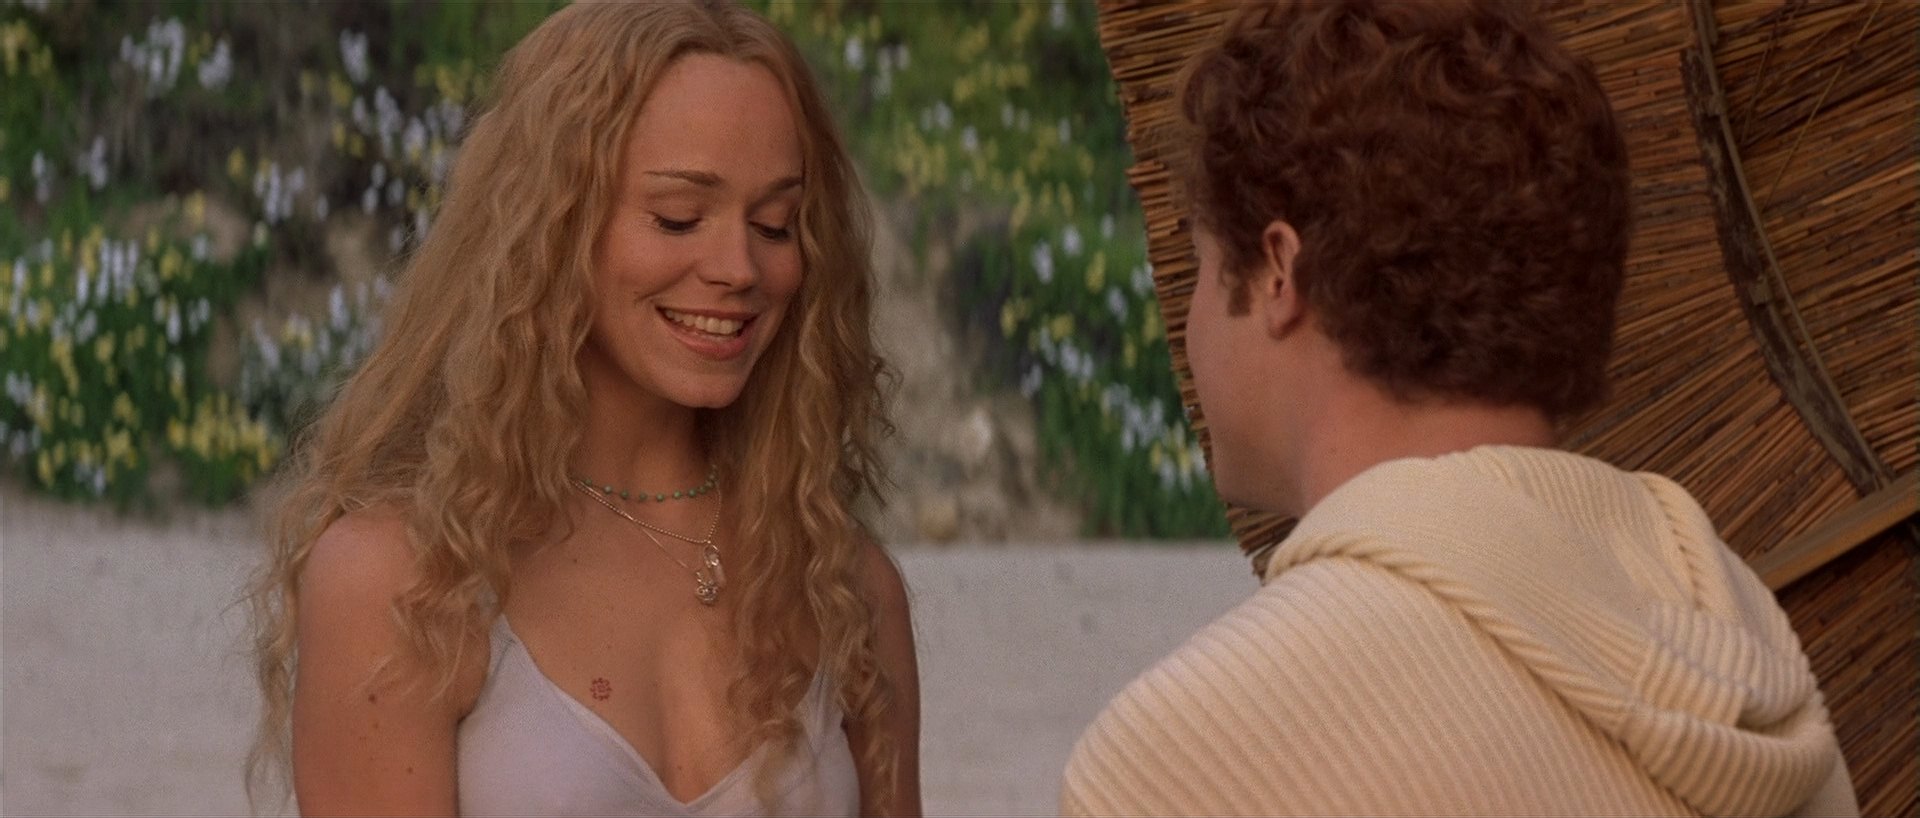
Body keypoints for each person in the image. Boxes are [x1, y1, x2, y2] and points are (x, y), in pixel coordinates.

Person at [1060, 1, 1857, 815]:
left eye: (1200, 263)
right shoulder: (1741, 642)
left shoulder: (1185, 759)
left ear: (1278, 272)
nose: (1187, 325)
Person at [245, 2, 919, 815]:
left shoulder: (844, 588)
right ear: (552, 225)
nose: (739, 266)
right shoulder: (405, 581)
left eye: (776, 225)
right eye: (678, 217)